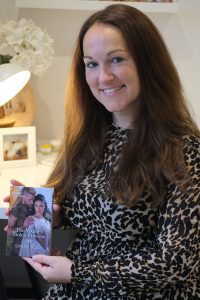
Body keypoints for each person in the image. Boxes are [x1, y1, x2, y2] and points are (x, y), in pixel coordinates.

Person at [4, 4, 200, 299]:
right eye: (91, 64)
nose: (103, 77)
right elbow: (95, 216)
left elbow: (175, 263)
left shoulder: (184, 150)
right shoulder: (89, 139)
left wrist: (77, 272)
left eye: (116, 59)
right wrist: (45, 216)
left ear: (148, 63)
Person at [6, 186, 36, 255]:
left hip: (27, 249)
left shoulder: (28, 210)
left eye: (33, 200)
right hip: (17, 251)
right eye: (30, 199)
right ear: (23, 197)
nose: (32, 202)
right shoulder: (15, 210)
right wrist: (23, 227)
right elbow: (9, 232)